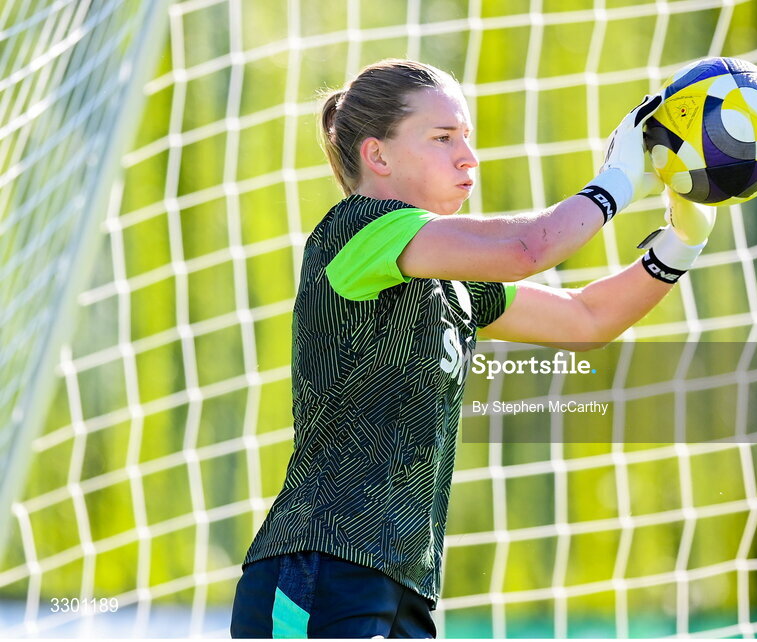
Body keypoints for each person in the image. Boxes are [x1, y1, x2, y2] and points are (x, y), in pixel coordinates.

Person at [230, 58, 714, 638]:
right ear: (377, 155)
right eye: (442, 138)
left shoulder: (451, 279)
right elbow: (529, 247)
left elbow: (587, 319)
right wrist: (617, 179)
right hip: (316, 572)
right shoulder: (358, 228)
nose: (468, 157)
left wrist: (682, 244)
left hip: (400, 586)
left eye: (468, 138)